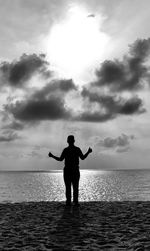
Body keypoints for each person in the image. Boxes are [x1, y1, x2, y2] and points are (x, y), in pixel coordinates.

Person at [48, 135, 92, 206]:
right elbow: (83, 157)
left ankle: (69, 201)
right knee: (75, 187)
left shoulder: (67, 150)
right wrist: (88, 152)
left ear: (67, 141)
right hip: (73, 170)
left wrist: (52, 156)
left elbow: (60, 159)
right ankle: (74, 202)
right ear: (73, 141)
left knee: (69, 187)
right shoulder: (75, 149)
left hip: (69, 170)